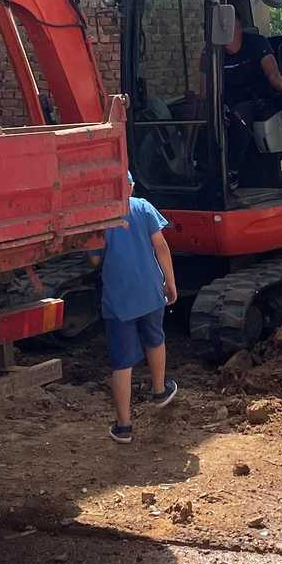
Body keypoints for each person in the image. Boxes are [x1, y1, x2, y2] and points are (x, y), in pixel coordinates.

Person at [90, 172, 179, 443]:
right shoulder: (144, 207)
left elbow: (94, 262)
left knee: (122, 363)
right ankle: (160, 389)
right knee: (155, 339)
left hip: (120, 301)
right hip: (151, 291)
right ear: (131, 187)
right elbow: (161, 247)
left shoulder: (99, 218)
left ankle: (124, 426)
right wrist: (170, 284)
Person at [219, 0, 282, 116]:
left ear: (239, 27)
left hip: (260, 103)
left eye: (230, 27)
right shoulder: (212, 52)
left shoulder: (257, 43)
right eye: (222, 28)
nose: (226, 32)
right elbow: (206, 92)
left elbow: (274, 75)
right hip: (227, 109)